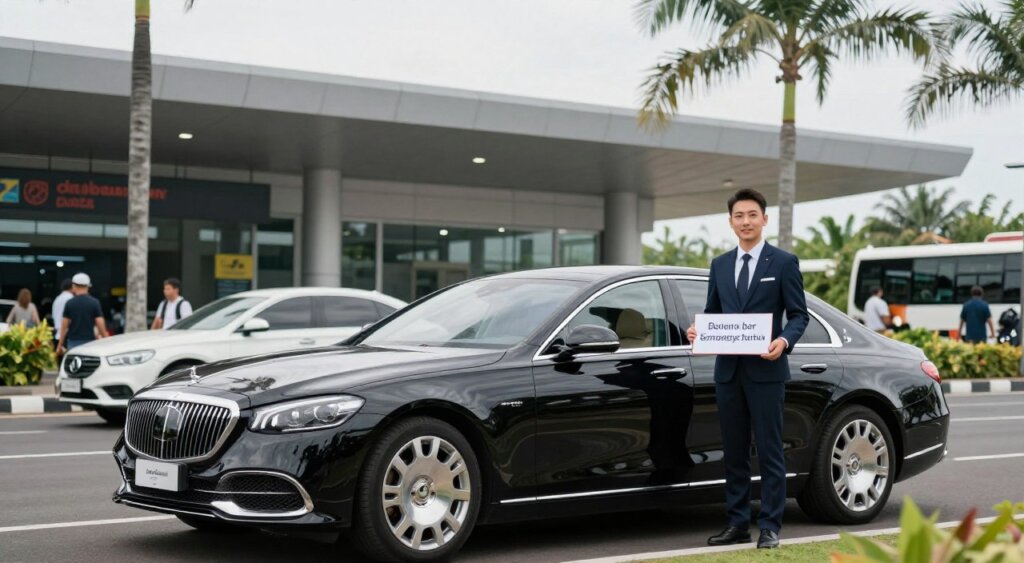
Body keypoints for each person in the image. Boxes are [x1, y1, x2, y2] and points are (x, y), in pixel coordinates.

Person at [687, 188, 809, 550]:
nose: (746, 222)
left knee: (770, 451)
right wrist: (699, 330)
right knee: (734, 451)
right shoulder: (719, 265)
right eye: (739, 216)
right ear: (731, 222)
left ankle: (770, 526)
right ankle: (737, 523)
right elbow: (713, 312)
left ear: (764, 219)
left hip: (767, 373)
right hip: (728, 373)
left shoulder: (784, 263)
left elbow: (799, 314)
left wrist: (784, 341)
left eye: (752, 215)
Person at [57, 273, 108, 353]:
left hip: (73, 343)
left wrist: (60, 345)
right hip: (90, 342)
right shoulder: (94, 302)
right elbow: (100, 324)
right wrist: (106, 340)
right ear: (88, 286)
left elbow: (64, 326)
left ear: (74, 286)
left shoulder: (70, 303)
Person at [51, 279, 74, 346]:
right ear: (72, 287)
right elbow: (71, 318)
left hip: (57, 334)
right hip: (67, 335)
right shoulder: (71, 298)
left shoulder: (57, 299)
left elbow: (53, 316)